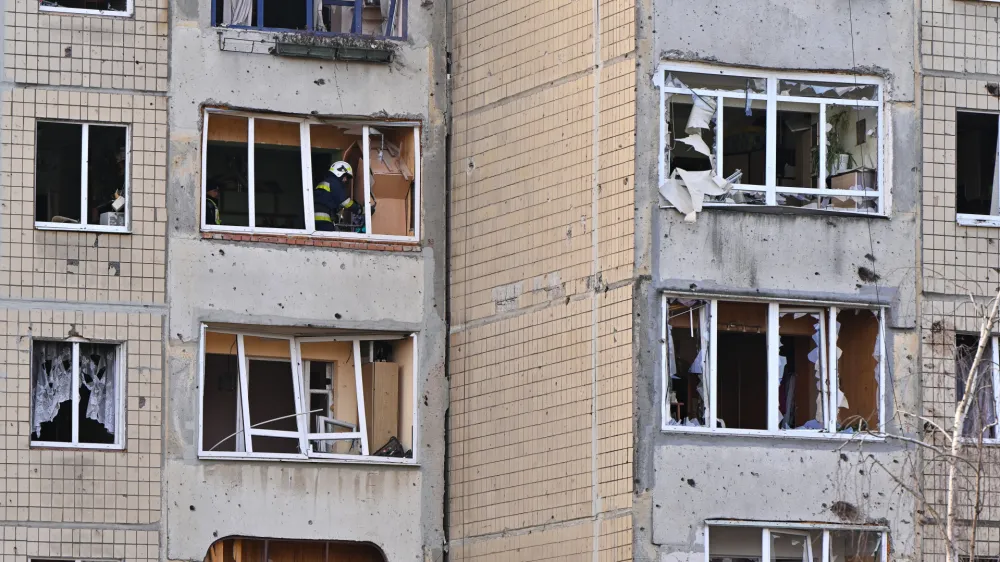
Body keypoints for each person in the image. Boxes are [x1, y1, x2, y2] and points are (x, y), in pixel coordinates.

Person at [314, 160, 360, 232]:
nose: (345, 180)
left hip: (314, 220)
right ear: (339, 173)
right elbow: (345, 202)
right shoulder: (335, 183)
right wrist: (359, 209)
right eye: (345, 177)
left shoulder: (326, 182)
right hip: (324, 219)